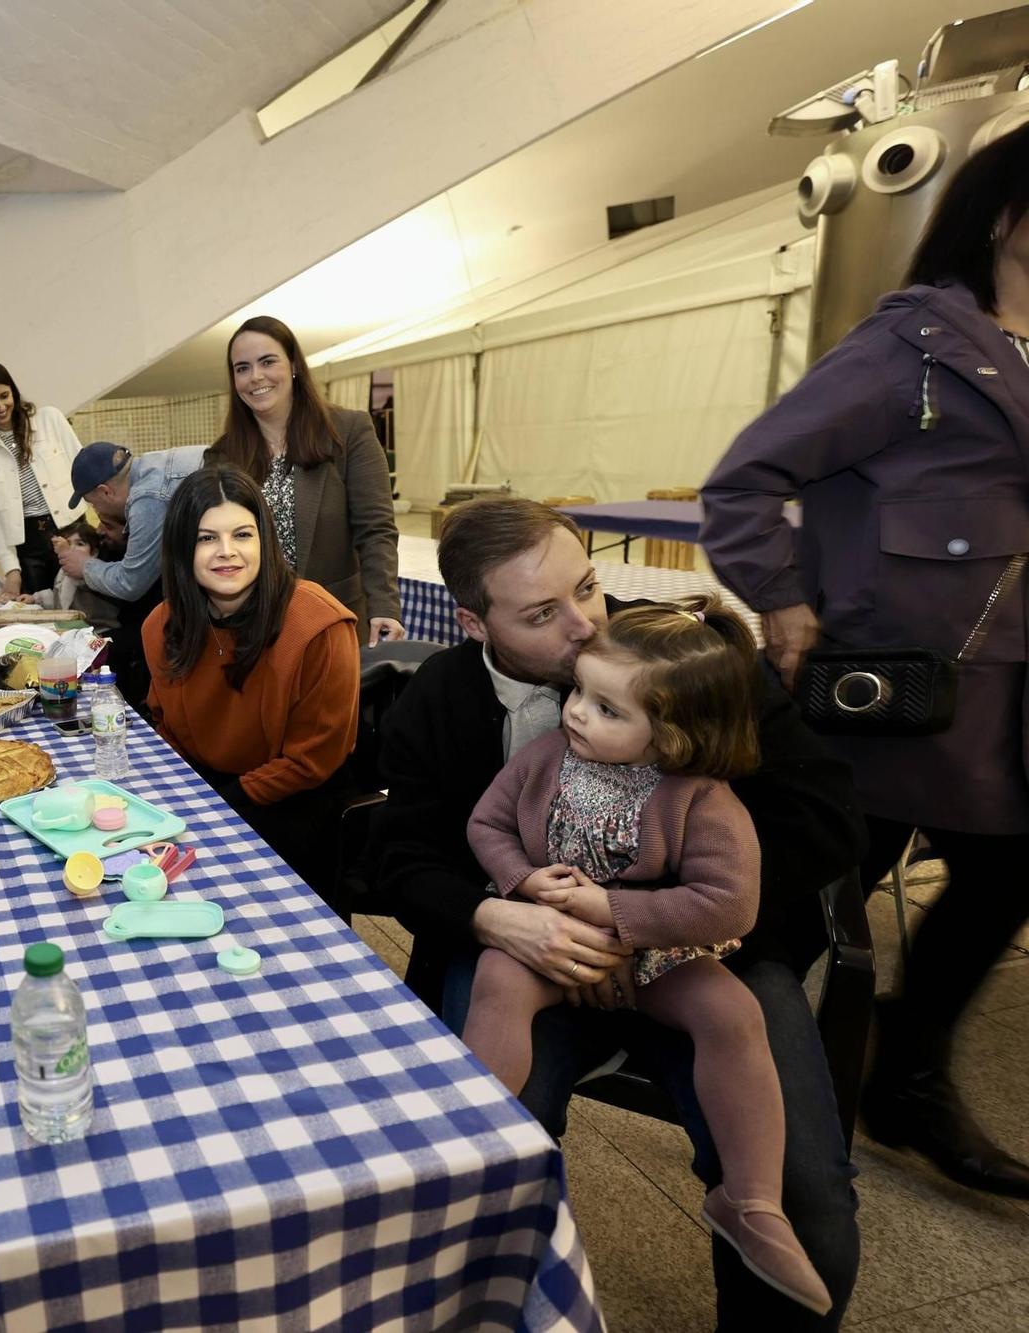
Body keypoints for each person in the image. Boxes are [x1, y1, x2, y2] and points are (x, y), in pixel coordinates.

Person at [363, 497, 866, 1329]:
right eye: (540, 613)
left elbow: (824, 818)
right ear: (472, 620)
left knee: (809, 1202)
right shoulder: (442, 699)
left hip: (709, 956)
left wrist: (648, 924)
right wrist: (499, 917)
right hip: (524, 954)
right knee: (490, 1162)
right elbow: (398, 858)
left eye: (588, 587)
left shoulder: (682, 659)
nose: (585, 625)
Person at [700, 120, 1029, 1198]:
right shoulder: (913, 348)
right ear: (1002, 218)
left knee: (1001, 873)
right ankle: (728, 1072)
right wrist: (784, 600)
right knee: (800, 902)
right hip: (886, 695)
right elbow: (743, 481)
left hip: (1004, 704)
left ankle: (904, 1073)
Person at [463, 597, 831, 1315]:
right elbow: (488, 822)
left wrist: (616, 912)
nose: (575, 714)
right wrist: (524, 877)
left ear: (672, 736)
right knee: (498, 976)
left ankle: (752, 1201)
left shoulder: (701, 797)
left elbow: (730, 903)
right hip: (554, 943)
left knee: (732, 1012)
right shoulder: (548, 758)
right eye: (578, 693)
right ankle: (475, 1142)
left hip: (658, 955)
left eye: (606, 708)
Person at [142, 467, 359, 904]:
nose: (227, 553)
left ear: (265, 540)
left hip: (293, 806)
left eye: (242, 535)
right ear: (182, 548)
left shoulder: (318, 626)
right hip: (203, 791)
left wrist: (219, 807)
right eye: (206, 538)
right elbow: (163, 722)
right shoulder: (161, 625)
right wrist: (187, 802)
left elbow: (313, 758)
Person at [205, 315, 404, 646]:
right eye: (242, 368)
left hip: (334, 620)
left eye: (267, 362)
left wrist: (384, 605)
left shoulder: (349, 432)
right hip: (252, 627)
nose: (255, 377)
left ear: (294, 364)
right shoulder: (221, 456)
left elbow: (376, 530)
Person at [58, 441, 207, 703]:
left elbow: (131, 583)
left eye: (94, 505)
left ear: (105, 492)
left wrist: (85, 567)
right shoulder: (153, 465)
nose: (98, 514)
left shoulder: (146, 499)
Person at [0, 360, 88, 595]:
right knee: (39, 617)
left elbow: (83, 469)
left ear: (14, 391)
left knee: (83, 608)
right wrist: (11, 569)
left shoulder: (49, 419)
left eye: (4, 396)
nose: (0, 406)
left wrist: (105, 521)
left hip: (74, 532)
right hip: (29, 547)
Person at [31, 518, 121, 634]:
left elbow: (79, 583)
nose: (72, 548)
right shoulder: (63, 572)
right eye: (68, 543)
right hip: (72, 629)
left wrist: (66, 552)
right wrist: (36, 598)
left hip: (98, 633)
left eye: (80, 544)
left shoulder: (95, 572)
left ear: (94, 553)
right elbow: (59, 597)